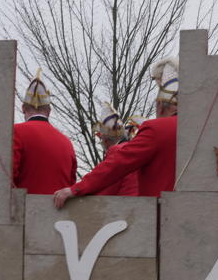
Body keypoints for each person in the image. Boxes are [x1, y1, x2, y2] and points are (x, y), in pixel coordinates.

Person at [53, 58, 179, 206]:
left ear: (160, 106)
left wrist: (77, 189)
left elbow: (118, 164)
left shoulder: (158, 129)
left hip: (161, 218)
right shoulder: (206, 131)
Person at [12, 70, 77, 194]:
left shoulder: (16, 132)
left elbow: (8, 177)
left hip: (26, 210)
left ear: (23, 108)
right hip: (59, 211)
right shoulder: (67, 142)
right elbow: (71, 183)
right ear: (49, 111)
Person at [90, 103, 140, 197]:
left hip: (123, 206)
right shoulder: (131, 149)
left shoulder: (116, 152)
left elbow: (106, 189)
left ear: (105, 140)